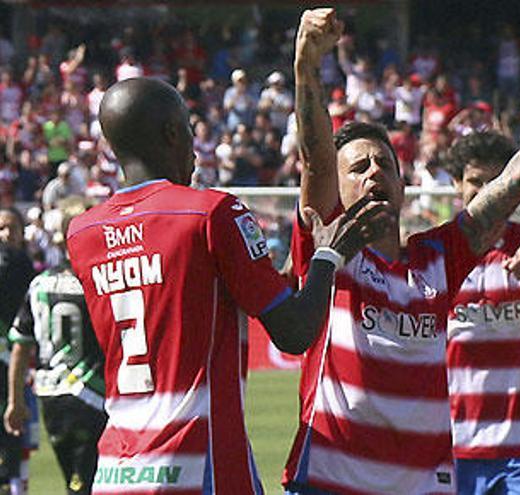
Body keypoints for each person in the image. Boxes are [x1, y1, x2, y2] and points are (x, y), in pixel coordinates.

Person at [285, 8, 520, 494]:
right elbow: (316, 159)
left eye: (385, 163)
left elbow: (516, 178)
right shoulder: (329, 247)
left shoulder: (437, 257)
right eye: (358, 167)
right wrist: (307, 64)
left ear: (404, 184)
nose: (375, 172)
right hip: (329, 481)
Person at [65, 77, 392, 494]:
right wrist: (330, 255)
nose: (195, 147)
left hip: (116, 470)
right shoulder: (210, 212)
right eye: (187, 130)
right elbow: (294, 332)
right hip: (200, 466)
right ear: (171, 134)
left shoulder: (83, 233)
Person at [444, 132, 520, 494]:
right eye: (475, 182)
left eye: (495, 181)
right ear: (456, 185)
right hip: (455, 443)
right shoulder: (434, 252)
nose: (485, 192)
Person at [6, 198, 107, 495]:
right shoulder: (100, 281)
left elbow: (21, 347)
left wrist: (15, 401)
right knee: (95, 484)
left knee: (75, 483)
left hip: (51, 397)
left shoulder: (40, 284)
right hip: (93, 394)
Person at [0, 207, 35, 495]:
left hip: (20, 364)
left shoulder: (26, 269)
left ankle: (18, 489)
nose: (7, 234)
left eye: (12, 227)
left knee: (20, 436)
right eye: (1, 228)